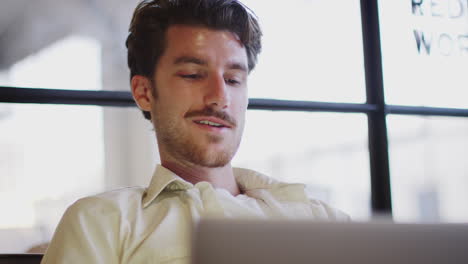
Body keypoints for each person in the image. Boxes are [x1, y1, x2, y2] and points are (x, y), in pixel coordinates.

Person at [41, 0, 349, 263]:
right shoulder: (100, 222)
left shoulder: (321, 219)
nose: (219, 96)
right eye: (192, 74)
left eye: (233, 79)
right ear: (145, 92)